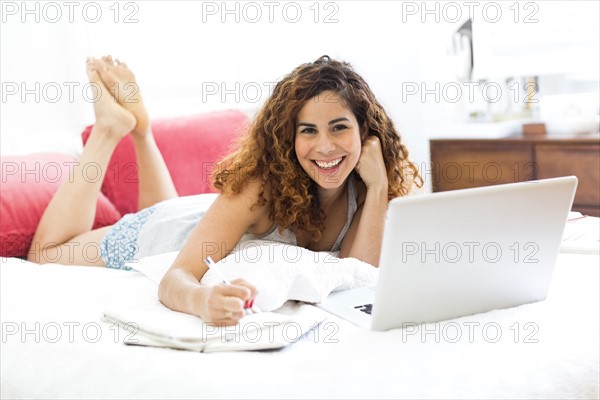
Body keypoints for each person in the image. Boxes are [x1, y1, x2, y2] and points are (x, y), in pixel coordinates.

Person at [28, 55, 422, 325]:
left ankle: (141, 130)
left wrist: (379, 186)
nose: (325, 147)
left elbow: (357, 273)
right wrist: (202, 301)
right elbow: (176, 275)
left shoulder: (364, 185)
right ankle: (109, 129)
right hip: (162, 232)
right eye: (308, 131)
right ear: (288, 136)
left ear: (367, 133)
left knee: (176, 210)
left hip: (199, 217)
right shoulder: (258, 189)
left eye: (339, 127)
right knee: (43, 254)